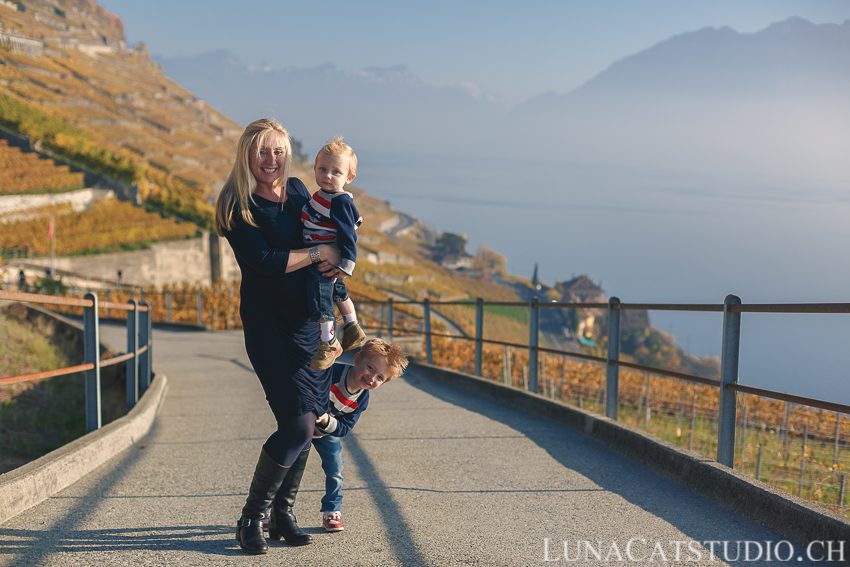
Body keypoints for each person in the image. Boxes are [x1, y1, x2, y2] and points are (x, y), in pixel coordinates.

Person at [214, 118, 345, 555]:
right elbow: (266, 261)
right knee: (296, 425)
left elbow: (328, 238)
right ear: (247, 155)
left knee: (309, 422)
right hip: (269, 329)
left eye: (278, 151)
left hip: (309, 327)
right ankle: (252, 517)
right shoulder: (237, 204)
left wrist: (334, 273)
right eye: (262, 151)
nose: (271, 160)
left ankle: (283, 515)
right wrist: (317, 254)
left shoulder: (300, 194)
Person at [261, 338, 408, 535]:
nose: (372, 378)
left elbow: (345, 427)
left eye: (380, 378)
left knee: (336, 468)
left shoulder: (362, 399)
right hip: (301, 427)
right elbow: (307, 386)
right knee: (284, 468)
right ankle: (266, 512)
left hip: (326, 433)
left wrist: (326, 421)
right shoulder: (332, 372)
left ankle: (332, 510)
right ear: (357, 359)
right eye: (370, 368)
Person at [302, 136, 366, 370]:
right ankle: (352, 327)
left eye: (336, 172)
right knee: (339, 293)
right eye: (323, 169)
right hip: (328, 259)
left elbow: (348, 233)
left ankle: (328, 342)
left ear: (349, 178)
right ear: (315, 169)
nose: (328, 175)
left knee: (321, 298)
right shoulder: (324, 195)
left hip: (325, 262)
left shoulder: (339, 201)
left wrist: (347, 262)